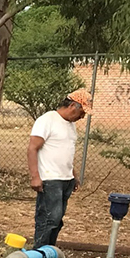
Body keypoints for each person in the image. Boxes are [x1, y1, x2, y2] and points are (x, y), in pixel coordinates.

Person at [28, 89, 90, 248]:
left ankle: (49, 251)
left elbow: (65, 152)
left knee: (57, 220)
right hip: (50, 179)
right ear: (72, 106)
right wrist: (35, 176)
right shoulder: (47, 120)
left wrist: (73, 174)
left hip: (65, 179)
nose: (82, 117)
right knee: (49, 218)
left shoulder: (70, 125)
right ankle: (39, 253)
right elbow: (32, 148)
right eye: (82, 112)